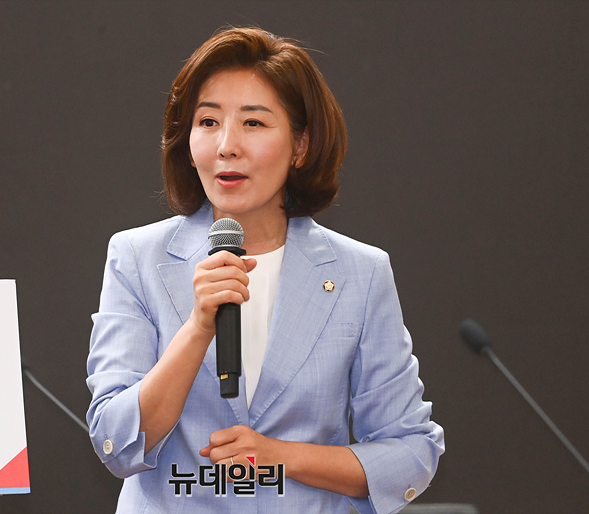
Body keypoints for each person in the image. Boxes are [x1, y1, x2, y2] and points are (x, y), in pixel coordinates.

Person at [86, 26, 444, 513]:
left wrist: (283, 457)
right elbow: (114, 441)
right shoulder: (137, 257)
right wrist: (197, 329)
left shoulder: (359, 274)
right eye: (208, 122)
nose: (226, 146)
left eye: (253, 123)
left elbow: (410, 452)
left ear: (301, 145)